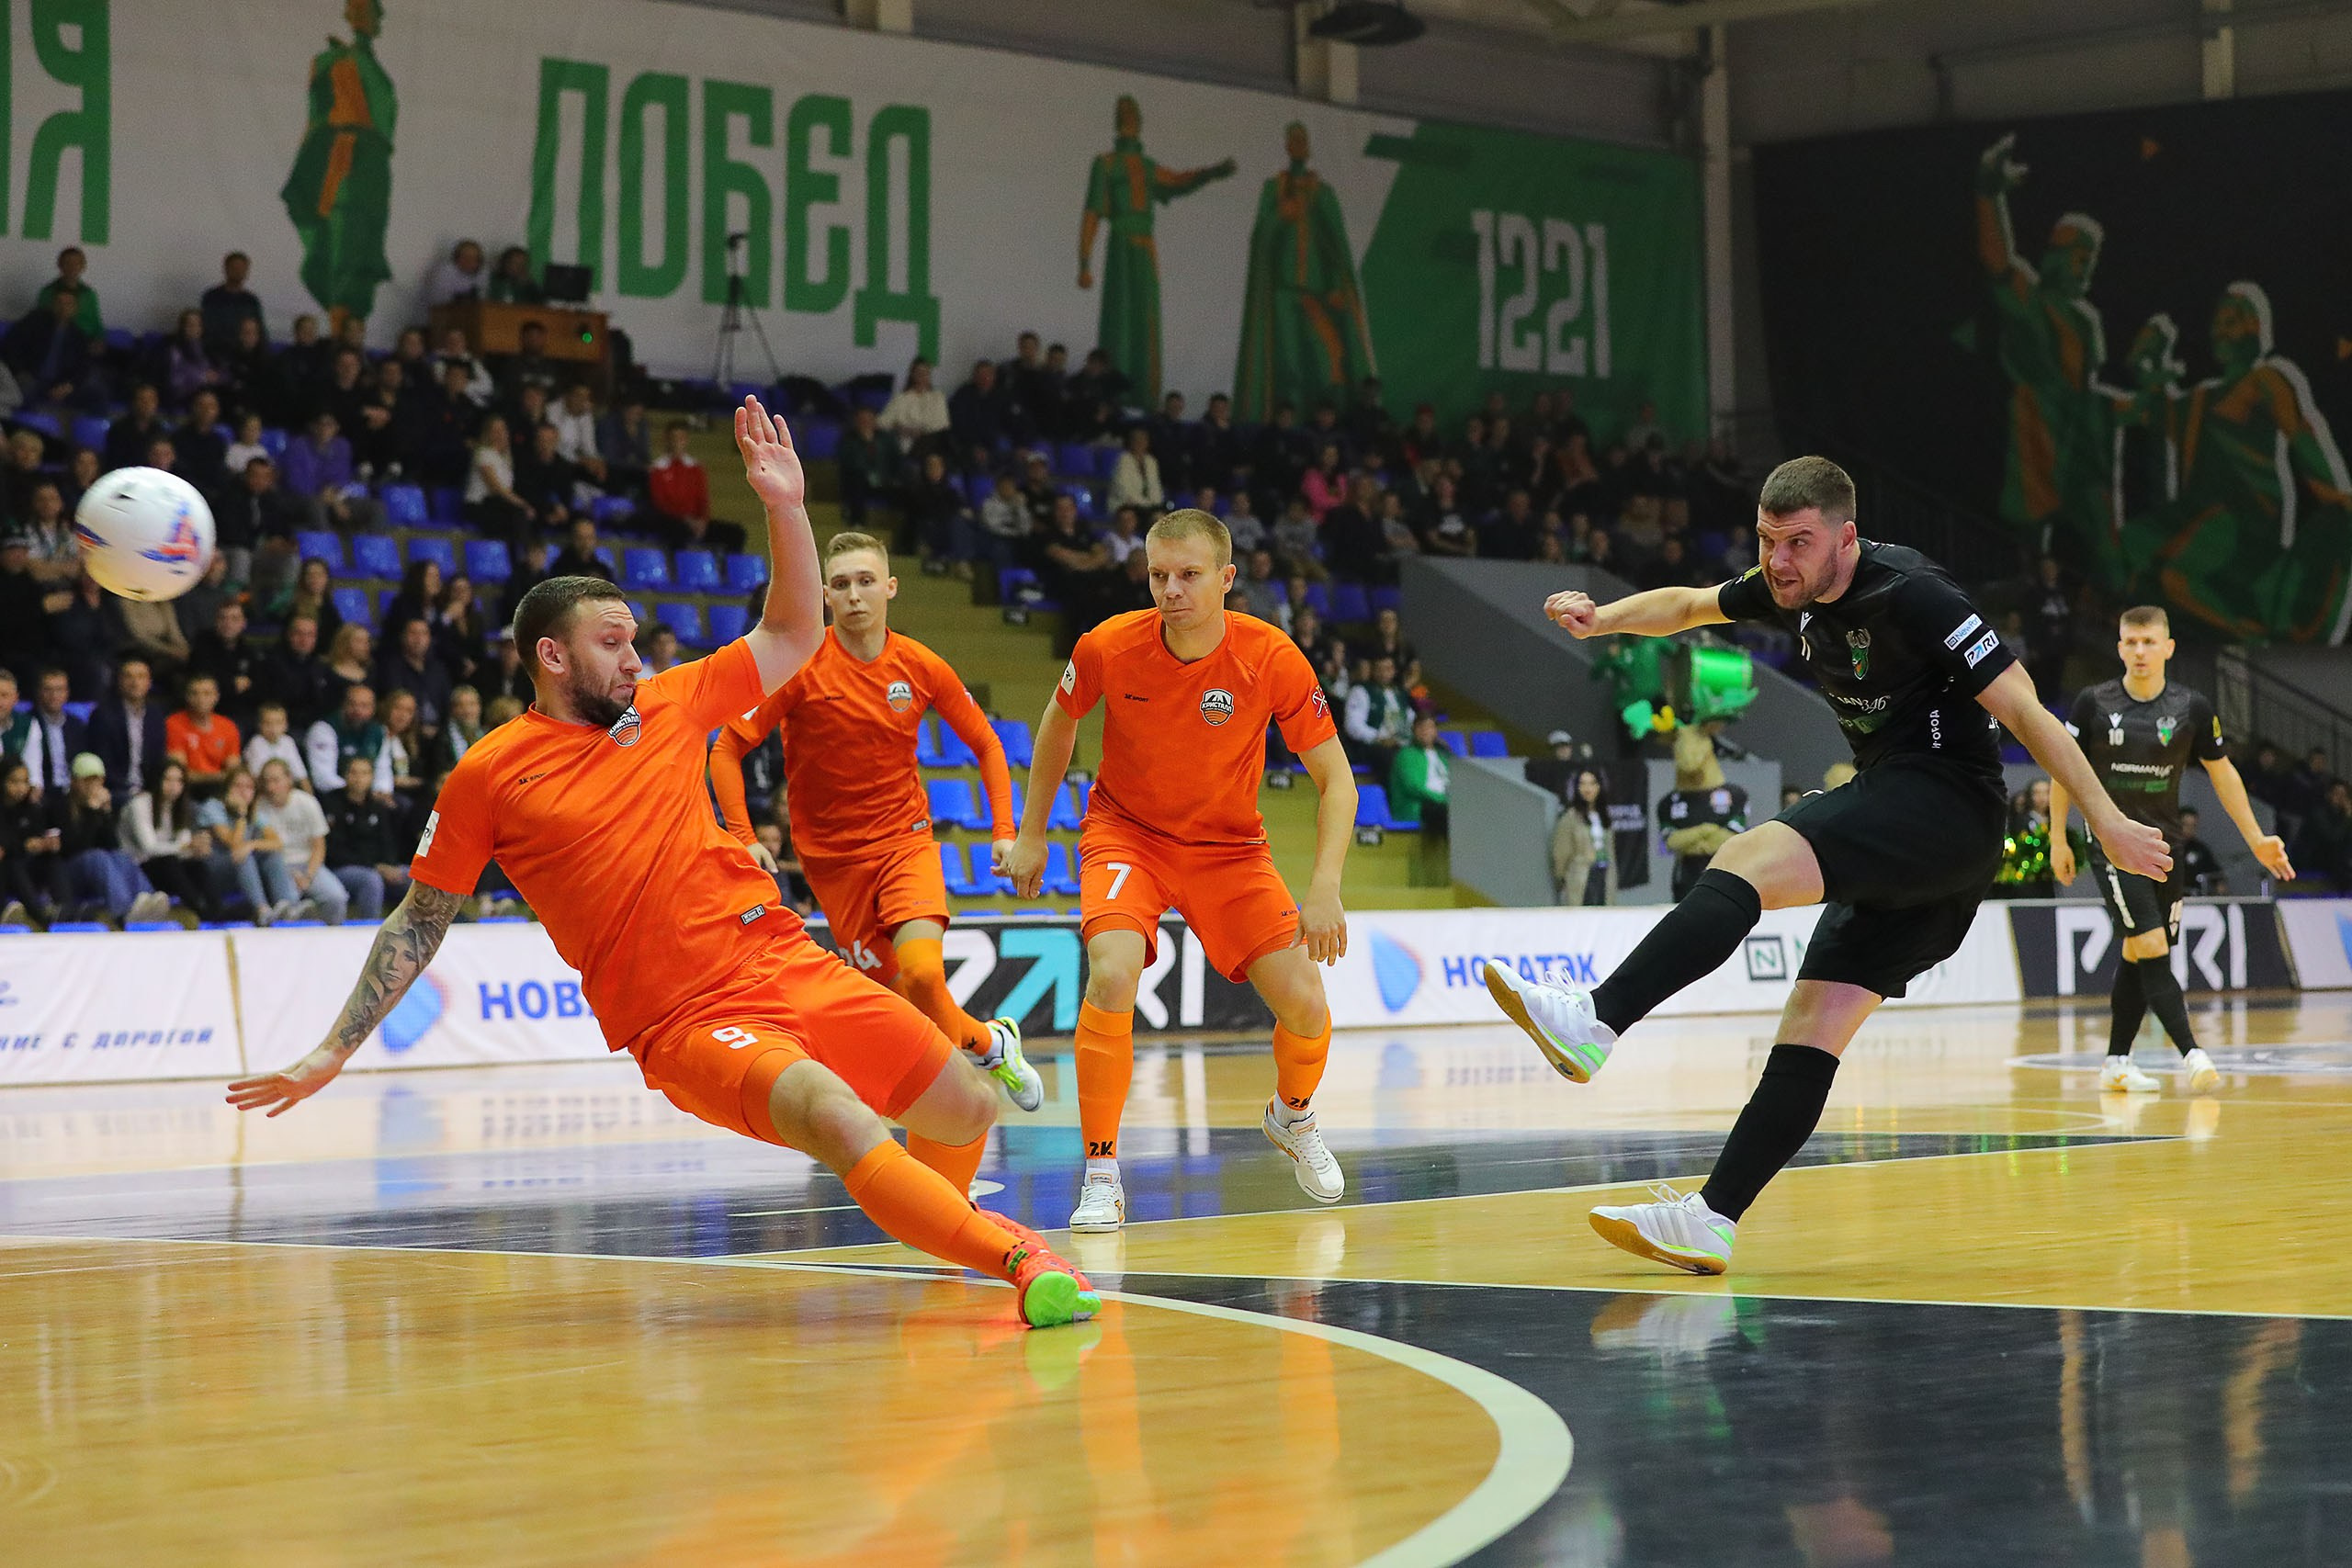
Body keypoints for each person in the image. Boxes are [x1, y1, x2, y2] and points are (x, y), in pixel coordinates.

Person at [229, 398, 1099, 1330]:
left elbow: (793, 632)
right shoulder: (489, 774)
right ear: (552, 655)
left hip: (784, 959)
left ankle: (944, 1232)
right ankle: (1019, 1258)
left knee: (964, 1111)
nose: (636, 659)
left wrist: (785, 508)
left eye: (637, 641)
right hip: (688, 1019)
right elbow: (420, 920)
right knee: (841, 1120)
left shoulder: (672, 704)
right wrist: (331, 1051)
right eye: (614, 644)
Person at [1481, 456, 2170, 1276]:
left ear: (1845, 536)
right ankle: (1711, 1217)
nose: (1779, 560)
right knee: (1812, 1024)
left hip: (1945, 806)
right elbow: (1693, 606)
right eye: (1769, 540)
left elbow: (2026, 711)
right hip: (1930, 866)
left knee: (1745, 855)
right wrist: (1604, 617)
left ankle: (1598, 1018)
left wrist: (2108, 819)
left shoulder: (1915, 591)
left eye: (1798, 542)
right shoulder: (1785, 585)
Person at [1003, 507, 1357, 1231]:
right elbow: (1059, 720)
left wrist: (1325, 888)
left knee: (1308, 1005)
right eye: (1159, 575)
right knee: (1111, 973)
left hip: (1230, 851)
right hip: (1126, 835)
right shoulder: (1108, 644)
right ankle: (1101, 1171)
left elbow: (1338, 781)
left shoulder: (1272, 655)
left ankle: (1292, 1116)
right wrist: (1032, 832)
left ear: (1227, 578)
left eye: (1189, 575)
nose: (1171, 589)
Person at [707, 530, 1041, 1111]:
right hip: (833, 865)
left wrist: (1004, 831)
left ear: (890, 587)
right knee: (902, 1008)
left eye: (866, 582)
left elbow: (988, 744)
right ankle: (992, 1043)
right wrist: (743, 838)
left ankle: (954, 1116)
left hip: (904, 846)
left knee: (921, 976)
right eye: (841, 585)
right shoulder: (799, 666)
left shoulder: (917, 663)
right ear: (825, 597)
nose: (855, 595)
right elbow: (725, 750)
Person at [2048, 605, 2295, 1095]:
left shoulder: (2192, 707)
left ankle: (2117, 1062)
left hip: (2166, 849)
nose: (2139, 651)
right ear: (2119, 648)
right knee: (2153, 947)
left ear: (2168, 648)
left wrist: (2255, 838)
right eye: (2130, 643)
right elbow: (2064, 771)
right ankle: (2192, 1053)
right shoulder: (2093, 704)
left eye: (2148, 642)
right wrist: (2059, 836)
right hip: (2113, 846)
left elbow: (2223, 774)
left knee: (2139, 953)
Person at [54, 752, 171, 926]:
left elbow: (112, 844)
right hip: (69, 872)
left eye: (98, 781)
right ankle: (124, 912)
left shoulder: (98, 807)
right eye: (88, 781)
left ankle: (148, 902)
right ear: (75, 781)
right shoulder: (60, 806)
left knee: (121, 856)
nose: (94, 786)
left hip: (97, 872)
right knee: (97, 857)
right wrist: (92, 812)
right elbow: (74, 847)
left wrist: (106, 813)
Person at [1657, 726, 1748, 901]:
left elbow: (1732, 838)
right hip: (1686, 878)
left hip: (1726, 874)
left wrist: (1691, 839)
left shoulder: (1735, 795)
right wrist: (1706, 830)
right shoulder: (1667, 803)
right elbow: (1672, 842)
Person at [198, 764, 293, 921]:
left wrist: (252, 844)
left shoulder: (256, 813)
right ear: (227, 788)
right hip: (215, 871)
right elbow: (233, 844)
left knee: (273, 856)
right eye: (238, 786)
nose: (243, 792)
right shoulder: (213, 807)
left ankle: (287, 907)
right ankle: (261, 910)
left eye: (249, 787)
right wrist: (241, 815)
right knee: (243, 856)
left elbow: (277, 843)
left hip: (243, 872)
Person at [255, 757, 343, 923]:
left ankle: (333, 939)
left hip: (308, 863)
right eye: (266, 781)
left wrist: (308, 876)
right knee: (290, 904)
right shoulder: (259, 807)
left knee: (336, 897)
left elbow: (318, 847)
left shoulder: (306, 802)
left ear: (289, 779)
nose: (270, 787)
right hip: (278, 866)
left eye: (275, 780)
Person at [122, 758, 212, 919]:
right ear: (158, 780)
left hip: (167, 866)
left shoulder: (180, 808)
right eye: (168, 779)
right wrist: (186, 847)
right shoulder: (140, 804)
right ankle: (200, 910)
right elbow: (149, 848)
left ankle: (216, 910)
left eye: (179, 781)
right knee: (169, 862)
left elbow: (183, 846)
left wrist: (195, 850)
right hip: (138, 868)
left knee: (197, 866)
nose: (173, 786)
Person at [322, 754, 408, 919]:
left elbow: (387, 841)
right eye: (354, 773)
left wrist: (390, 866)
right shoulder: (332, 803)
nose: (358, 778)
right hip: (343, 868)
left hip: (379, 867)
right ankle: (368, 929)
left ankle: (423, 931)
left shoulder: (377, 806)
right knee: (371, 880)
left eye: (364, 773)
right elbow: (335, 850)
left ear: (371, 777)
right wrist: (376, 867)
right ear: (345, 775)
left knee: (415, 878)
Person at [646, 419, 745, 553]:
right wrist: (686, 520)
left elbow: (702, 499)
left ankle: (726, 571)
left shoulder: (695, 468)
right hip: (672, 521)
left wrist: (702, 521)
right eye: (674, 438)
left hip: (696, 522)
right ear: (667, 440)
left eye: (681, 438)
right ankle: (680, 569)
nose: (677, 442)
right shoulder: (658, 469)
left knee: (736, 533)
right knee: (678, 531)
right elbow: (660, 503)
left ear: (686, 440)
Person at [166, 672, 243, 795]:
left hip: (221, 792)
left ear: (216, 696)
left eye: (207, 693)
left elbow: (234, 772)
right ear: (187, 696)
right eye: (194, 693)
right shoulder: (173, 724)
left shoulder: (228, 726)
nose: (201, 699)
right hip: (187, 793)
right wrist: (220, 776)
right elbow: (181, 774)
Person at [1341, 652, 1413, 780]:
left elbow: (1410, 719)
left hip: (1399, 742)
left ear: (1394, 671)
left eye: (1387, 669)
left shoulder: (1400, 693)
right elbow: (1353, 726)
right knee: (1391, 756)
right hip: (1370, 745)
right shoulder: (1360, 691)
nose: (1383, 673)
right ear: (1372, 670)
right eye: (1379, 669)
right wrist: (1379, 738)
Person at [1551, 767, 1616, 906]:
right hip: (1581, 877)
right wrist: (1562, 878)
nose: (1588, 788)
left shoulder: (1604, 816)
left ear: (1599, 787)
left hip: (1604, 875)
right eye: (1583, 784)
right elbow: (1561, 853)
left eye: (1592, 783)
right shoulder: (1570, 817)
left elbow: (1610, 850)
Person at [1387, 713, 1450, 832]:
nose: (1425, 731)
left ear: (1435, 731)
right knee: (1448, 813)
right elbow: (1413, 787)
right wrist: (1443, 799)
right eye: (1421, 727)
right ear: (1414, 731)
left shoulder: (1443, 756)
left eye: (1429, 727)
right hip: (1419, 806)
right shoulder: (1406, 755)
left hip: (1444, 803)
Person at [424, 239, 487, 307]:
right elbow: (437, 300)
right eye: (465, 257)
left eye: (473, 258)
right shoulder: (446, 272)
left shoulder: (483, 275)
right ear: (457, 258)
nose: (469, 261)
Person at [2176, 807, 2224, 895]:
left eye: (2193, 826)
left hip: (2195, 898)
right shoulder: (2167, 847)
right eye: (2186, 825)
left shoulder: (2200, 849)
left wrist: (2220, 887)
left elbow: (2215, 872)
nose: (2189, 829)